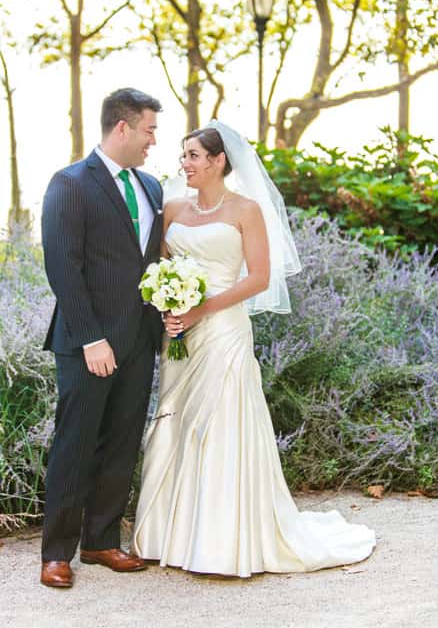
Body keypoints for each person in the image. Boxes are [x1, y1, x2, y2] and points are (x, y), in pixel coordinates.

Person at [130, 121, 377, 576]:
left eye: (193, 156)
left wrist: (202, 308)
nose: (184, 164)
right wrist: (170, 300)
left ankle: (221, 541)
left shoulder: (245, 210)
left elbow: (259, 278)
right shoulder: (173, 209)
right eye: (183, 156)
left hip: (223, 328)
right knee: (176, 418)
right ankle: (168, 533)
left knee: (221, 421)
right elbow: (163, 263)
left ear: (218, 160)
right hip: (179, 330)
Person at [40, 88, 164, 588]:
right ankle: (56, 552)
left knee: (121, 441)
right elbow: (62, 266)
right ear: (122, 127)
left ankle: (101, 540)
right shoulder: (70, 183)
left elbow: (152, 262)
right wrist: (92, 338)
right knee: (75, 442)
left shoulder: (153, 187)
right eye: (149, 130)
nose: (154, 141)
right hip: (87, 342)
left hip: (139, 338)